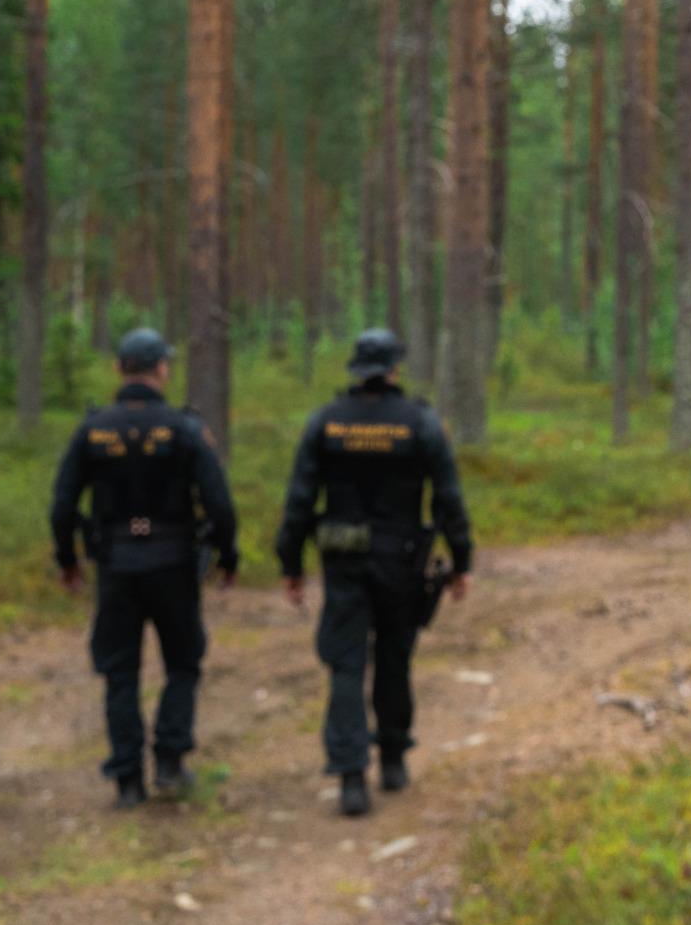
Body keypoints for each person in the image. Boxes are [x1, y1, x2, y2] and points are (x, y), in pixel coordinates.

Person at [276, 329, 473, 817]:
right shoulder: (420, 423)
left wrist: (291, 563)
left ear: (355, 369)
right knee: (393, 657)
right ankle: (391, 760)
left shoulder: (326, 423)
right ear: (394, 370)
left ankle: (350, 777)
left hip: (343, 555)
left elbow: (300, 501)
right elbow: (448, 498)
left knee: (346, 662)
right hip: (400, 557)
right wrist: (462, 560)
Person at [50, 328, 238, 809]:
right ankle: (171, 763)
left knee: (120, 672)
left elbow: (63, 504)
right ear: (161, 370)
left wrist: (68, 560)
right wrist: (227, 555)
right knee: (182, 662)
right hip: (173, 560)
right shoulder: (182, 428)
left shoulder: (93, 430)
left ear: (119, 369)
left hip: (116, 562)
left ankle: (128, 780)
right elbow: (217, 500)